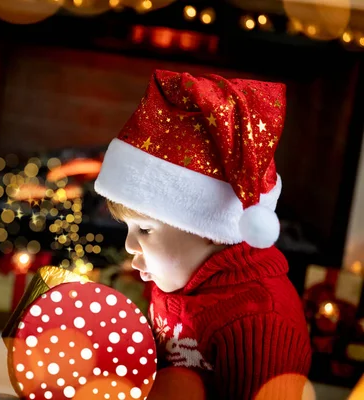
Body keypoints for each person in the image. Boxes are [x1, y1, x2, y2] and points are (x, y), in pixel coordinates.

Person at [94, 70, 312, 399]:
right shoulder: (180, 278)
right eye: (130, 228)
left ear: (209, 229)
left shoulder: (259, 322)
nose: (128, 245)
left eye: (145, 229)